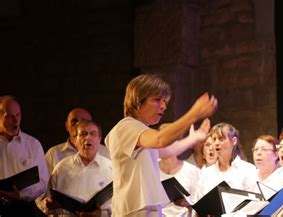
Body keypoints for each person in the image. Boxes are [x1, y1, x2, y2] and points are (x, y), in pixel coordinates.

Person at [104, 73, 217, 216]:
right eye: (157, 100)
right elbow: (159, 140)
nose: (163, 106)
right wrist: (194, 113)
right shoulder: (127, 126)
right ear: (138, 102)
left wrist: (195, 137)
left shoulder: (140, 131)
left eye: (165, 101)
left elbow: (168, 150)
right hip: (132, 211)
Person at [43, 120, 112, 216]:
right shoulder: (61, 168)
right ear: (75, 141)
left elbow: (118, 206)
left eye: (93, 134)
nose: (88, 137)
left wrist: (100, 214)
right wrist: (49, 206)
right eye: (83, 134)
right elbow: (48, 204)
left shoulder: (111, 168)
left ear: (99, 139)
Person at [0, 95, 49, 216]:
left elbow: (42, 182)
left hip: (25, 210)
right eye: (10, 116)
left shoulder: (33, 145)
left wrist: (21, 195)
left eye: (18, 115)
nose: (16, 121)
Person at [195, 123, 257, 200]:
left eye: (221, 139)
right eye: (214, 139)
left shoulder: (248, 170)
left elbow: (254, 203)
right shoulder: (206, 173)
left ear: (234, 141)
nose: (216, 143)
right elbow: (198, 202)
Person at [45, 107, 110, 174]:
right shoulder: (53, 154)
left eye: (84, 121)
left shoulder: (105, 153)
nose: (78, 125)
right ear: (67, 126)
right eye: (74, 122)